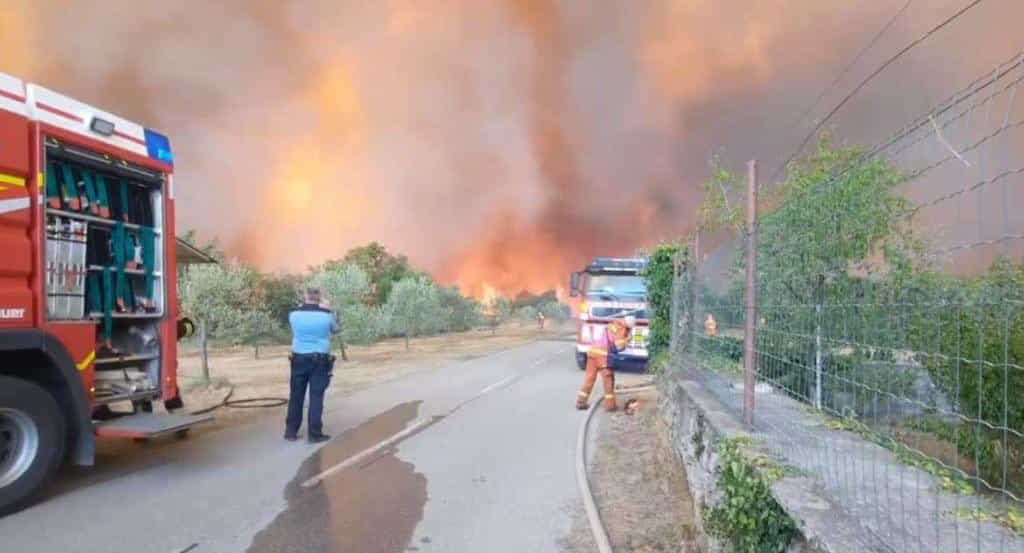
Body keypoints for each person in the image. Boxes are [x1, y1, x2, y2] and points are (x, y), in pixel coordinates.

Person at [285, 288, 339, 443]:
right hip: (319, 359)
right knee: (316, 396)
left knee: (296, 395)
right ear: (319, 298)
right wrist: (328, 309)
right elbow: (336, 330)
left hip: (298, 359)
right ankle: (314, 434)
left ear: (305, 297)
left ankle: (291, 431)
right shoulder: (326, 317)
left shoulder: (293, 315)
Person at [576, 315, 635, 412]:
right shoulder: (622, 329)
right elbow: (619, 346)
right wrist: (627, 340)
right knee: (608, 380)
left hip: (592, 353)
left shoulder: (613, 324)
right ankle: (610, 406)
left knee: (589, 379)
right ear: (629, 326)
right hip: (603, 356)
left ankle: (581, 402)